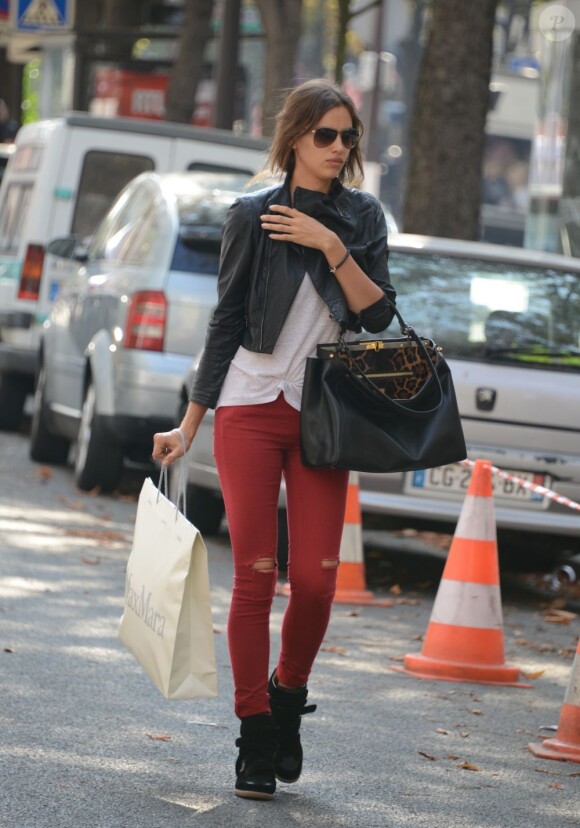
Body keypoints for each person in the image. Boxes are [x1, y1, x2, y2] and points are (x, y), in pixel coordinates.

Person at [152, 78, 396, 801]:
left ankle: (288, 694)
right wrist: (191, 422)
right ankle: (256, 736)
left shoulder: (362, 218)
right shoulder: (252, 216)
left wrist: (330, 244)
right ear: (294, 139)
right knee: (255, 575)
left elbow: (379, 318)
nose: (338, 148)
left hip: (324, 414)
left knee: (317, 581)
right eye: (326, 134)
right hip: (250, 410)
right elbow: (226, 322)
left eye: (348, 136)